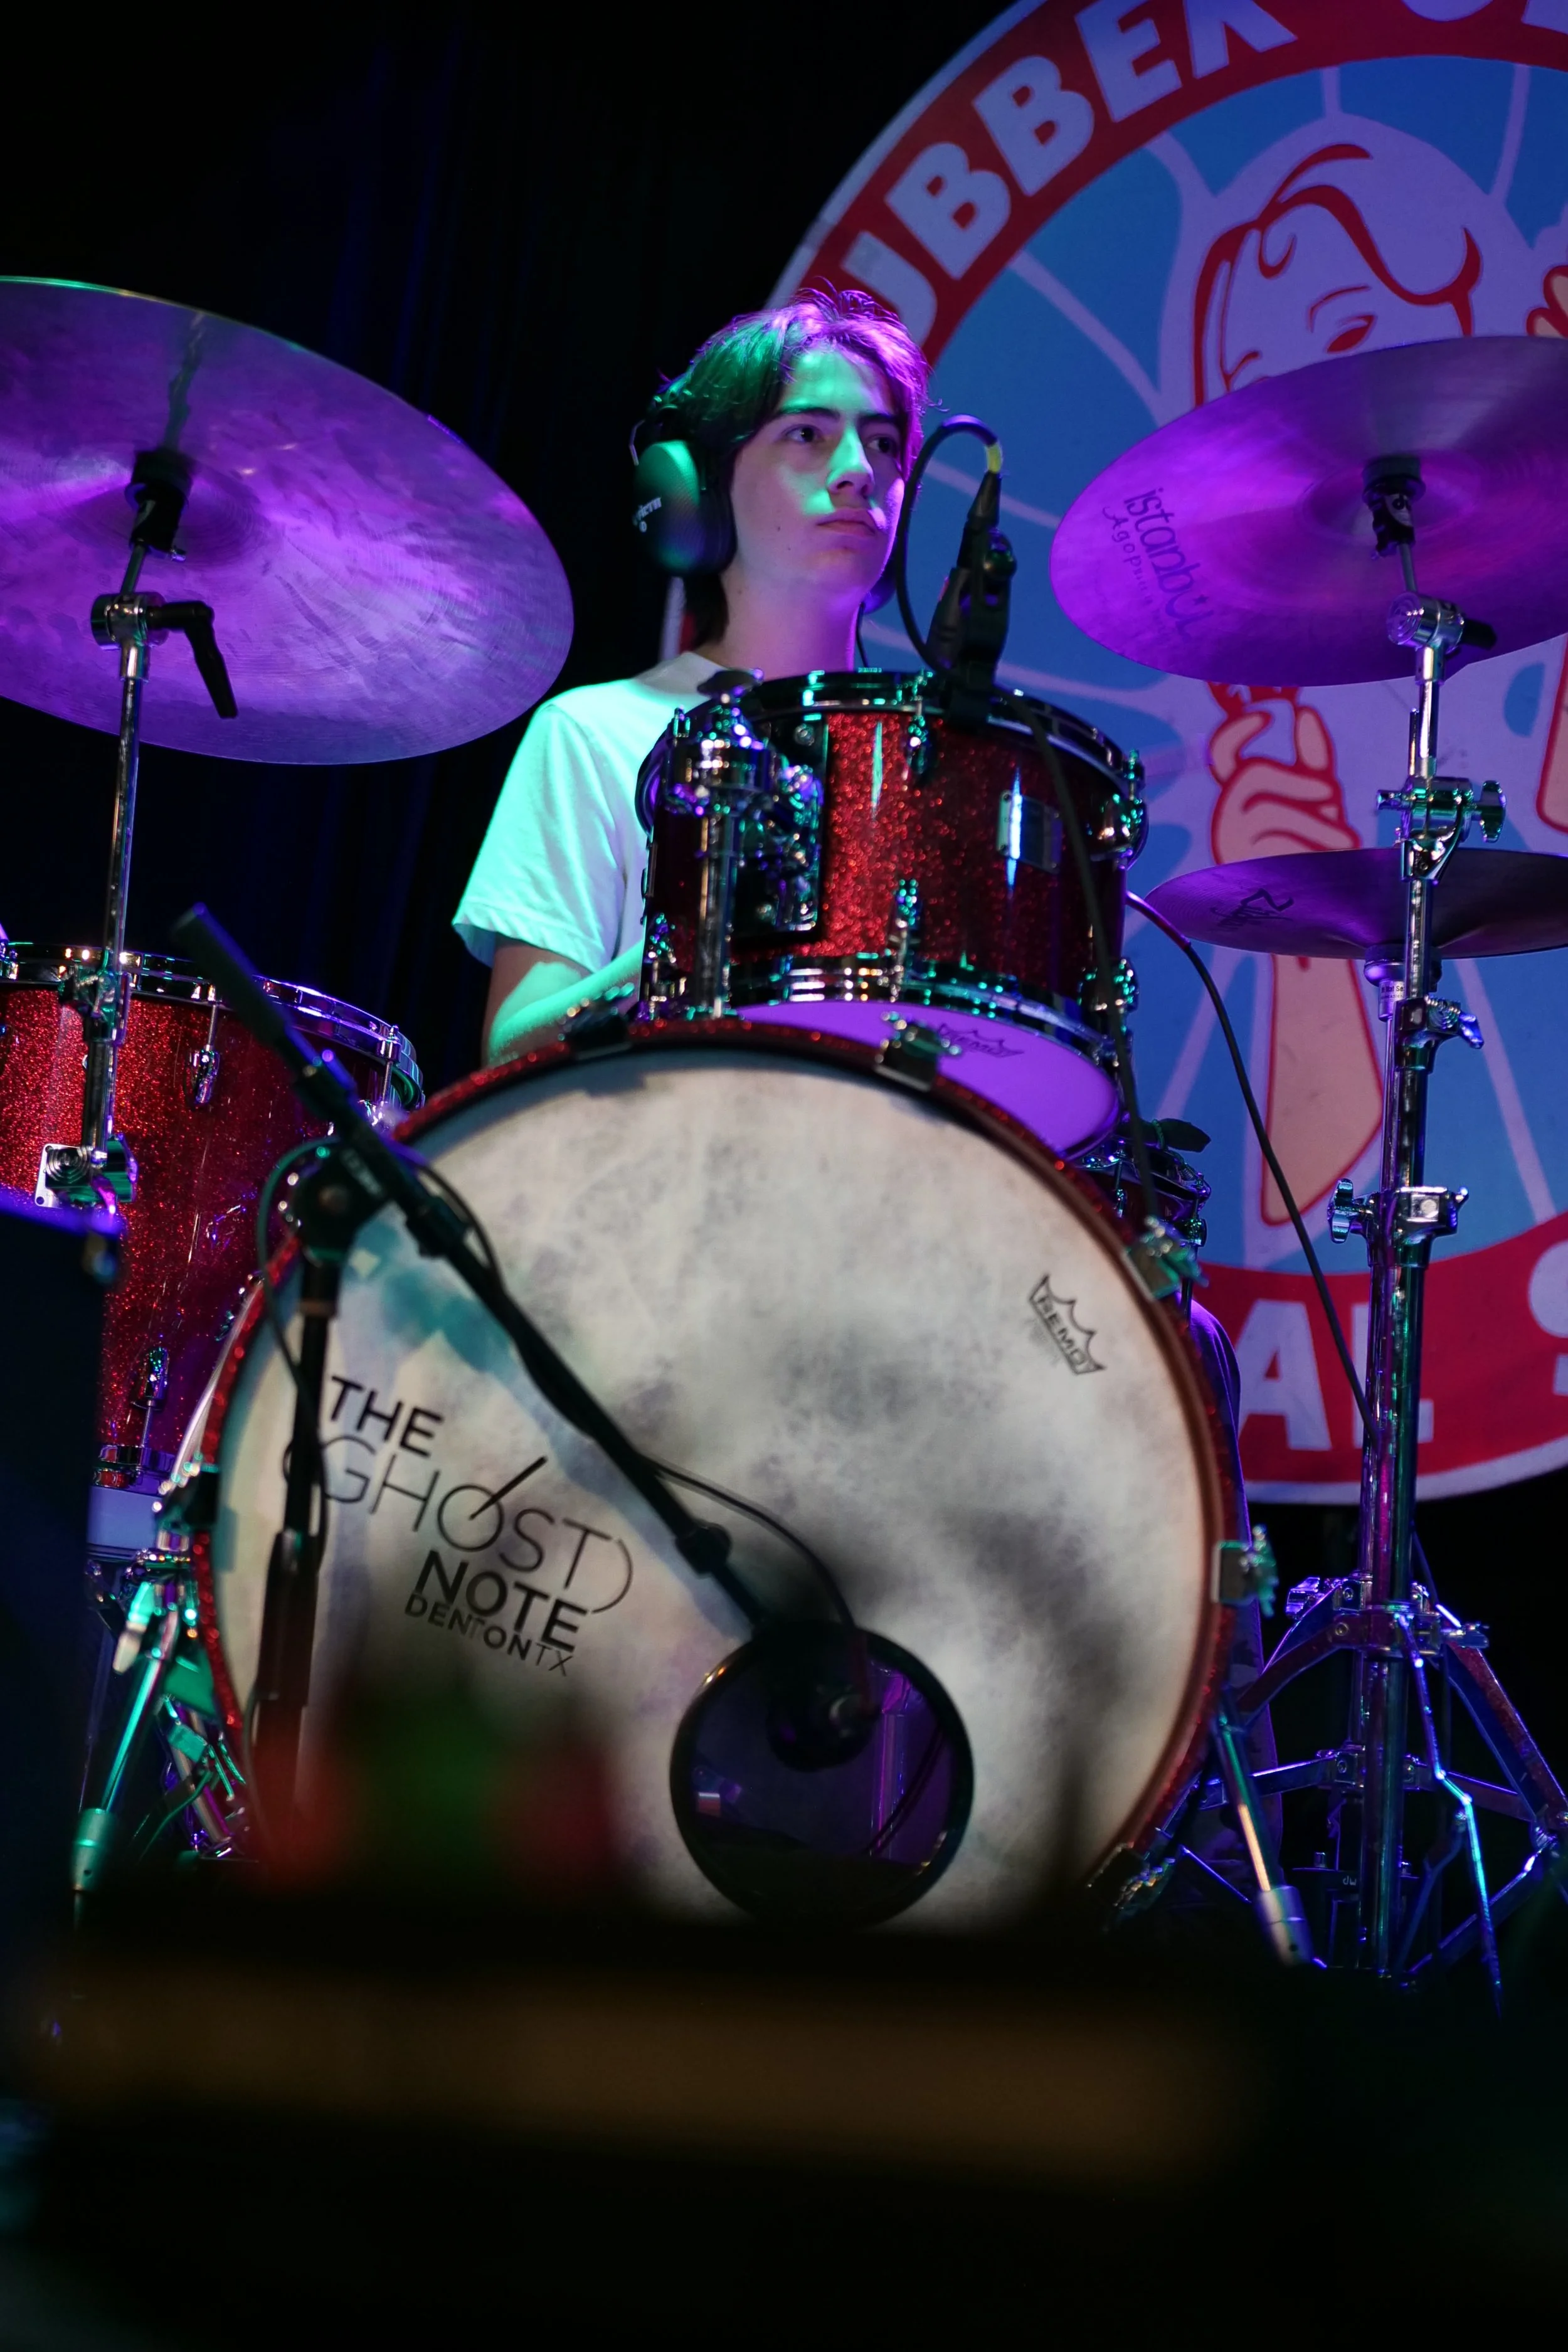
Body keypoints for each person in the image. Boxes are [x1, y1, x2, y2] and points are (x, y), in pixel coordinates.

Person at [453, 290, 927, 1065]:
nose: (856, 473)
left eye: (881, 445)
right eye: (806, 434)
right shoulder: (594, 731)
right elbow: (511, 1048)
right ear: (698, 488)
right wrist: (705, 947)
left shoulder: (930, 758)